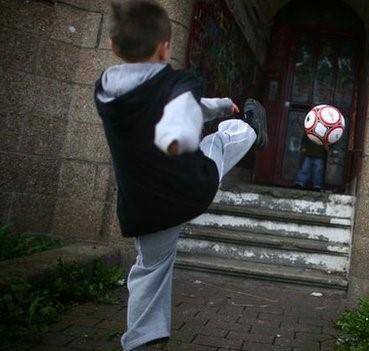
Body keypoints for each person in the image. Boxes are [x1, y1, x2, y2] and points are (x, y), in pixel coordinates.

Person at [93, 1, 267, 350]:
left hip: (145, 209)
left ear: (113, 48)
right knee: (222, 140)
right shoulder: (177, 85)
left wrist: (217, 105)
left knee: (150, 268)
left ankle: (140, 340)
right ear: (165, 48)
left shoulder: (106, 93)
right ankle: (252, 129)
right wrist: (178, 138)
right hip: (189, 188)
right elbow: (181, 115)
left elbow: (185, 106)